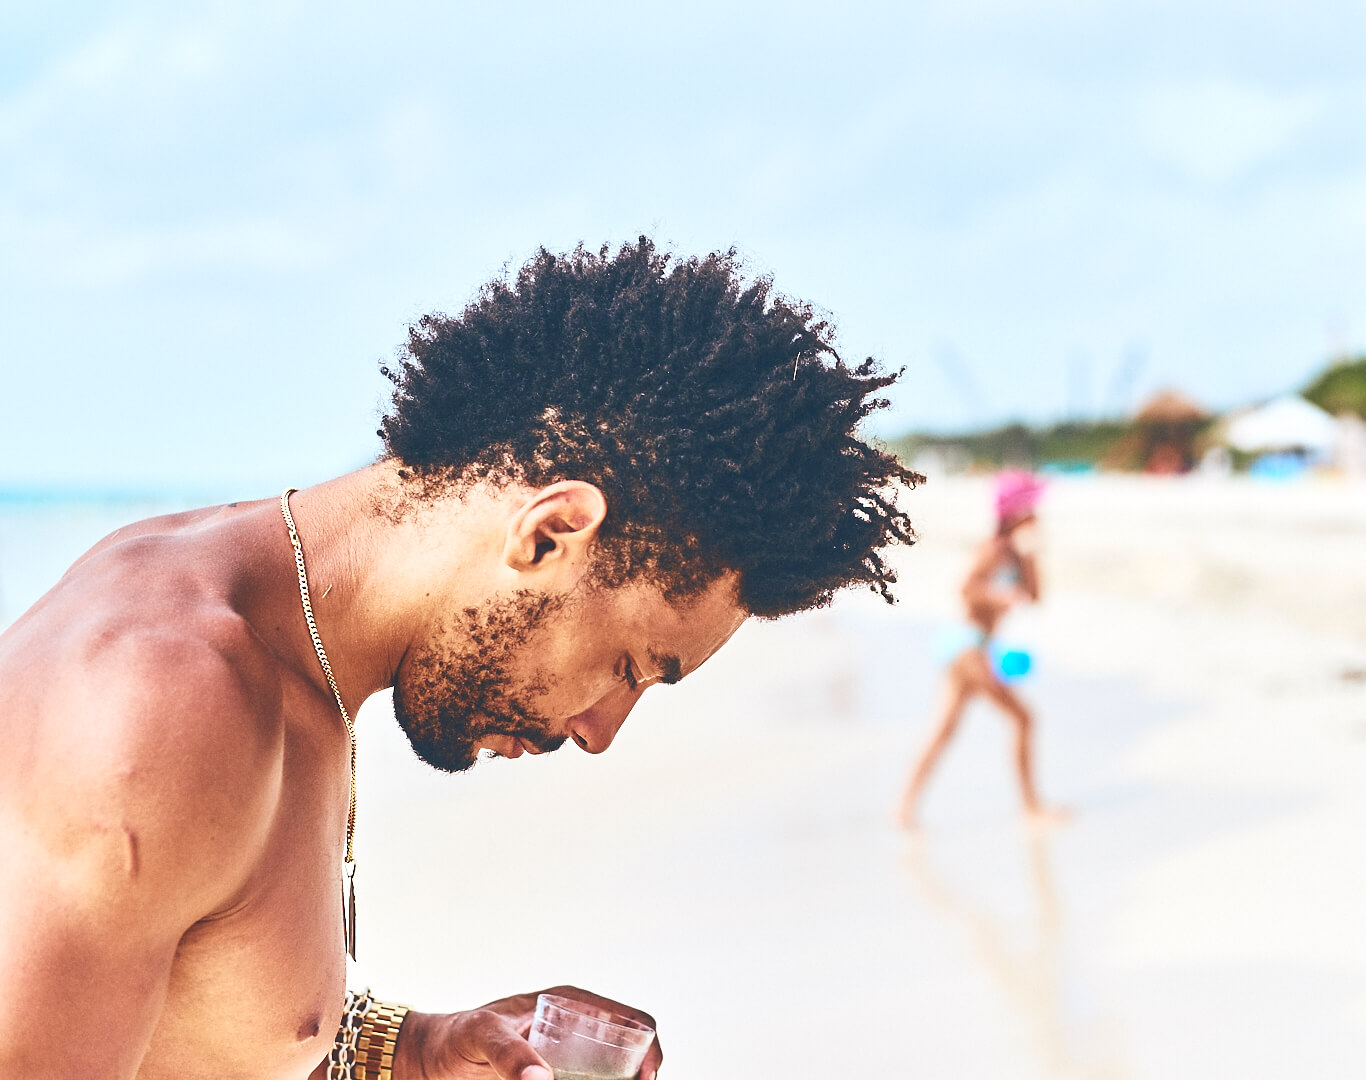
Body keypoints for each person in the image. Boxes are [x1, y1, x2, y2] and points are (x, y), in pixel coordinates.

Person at [0, 239, 921, 1080]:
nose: (600, 731)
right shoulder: (157, 705)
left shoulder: (281, 654)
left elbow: (183, 1014)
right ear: (552, 532)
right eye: (632, 666)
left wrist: (418, 1049)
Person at [894, 470, 1066, 828]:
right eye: (1033, 507)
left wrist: (1032, 555)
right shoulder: (992, 549)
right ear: (1017, 511)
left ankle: (904, 808)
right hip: (965, 644)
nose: (1039, 514)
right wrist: (997, 595)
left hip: (979, 646)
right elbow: (965, 588)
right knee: (1023, 719)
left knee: (944, 729)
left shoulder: (1018, 555)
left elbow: (1035, 597)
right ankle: (1031, 808)